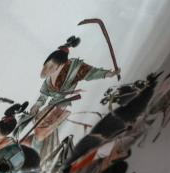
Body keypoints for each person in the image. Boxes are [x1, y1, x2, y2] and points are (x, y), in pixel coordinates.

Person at [27, 35, 118, 164]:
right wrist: (37, 105)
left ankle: (37, 157)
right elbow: (43, 96)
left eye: (52, 67)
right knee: (38, 128)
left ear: (62, 65)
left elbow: (91, 72)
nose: (48, 70)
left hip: (62, 107)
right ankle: (39, 156)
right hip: (51, 107)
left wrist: (108, 73)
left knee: (41, 132)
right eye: (47, 66)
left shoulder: (74, 68)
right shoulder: (49, 79)